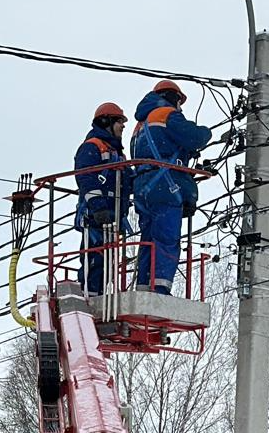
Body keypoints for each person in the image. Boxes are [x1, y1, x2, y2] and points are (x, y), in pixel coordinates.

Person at [130, 79, 212, 295]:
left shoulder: (139, 126)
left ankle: (144, 286)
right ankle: (160, 288)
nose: (180, 108)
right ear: (173, 98)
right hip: (164, 185)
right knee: (166, 238)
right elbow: (194, 137)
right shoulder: (166, 114)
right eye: (179, 102)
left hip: (142, 187)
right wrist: (206, 132)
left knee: (148, 239)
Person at [74, 102, 130, 296]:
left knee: (108, 261)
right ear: (106, 122)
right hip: (94, 215)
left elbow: (126, 182)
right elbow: (85, 178)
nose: (123, 126)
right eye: (119, 122)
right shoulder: (91, 148)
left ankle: (100, 292)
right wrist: (97, 207)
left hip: (112, 215)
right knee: (94, 257)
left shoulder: (118, 154)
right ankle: (89, 292)